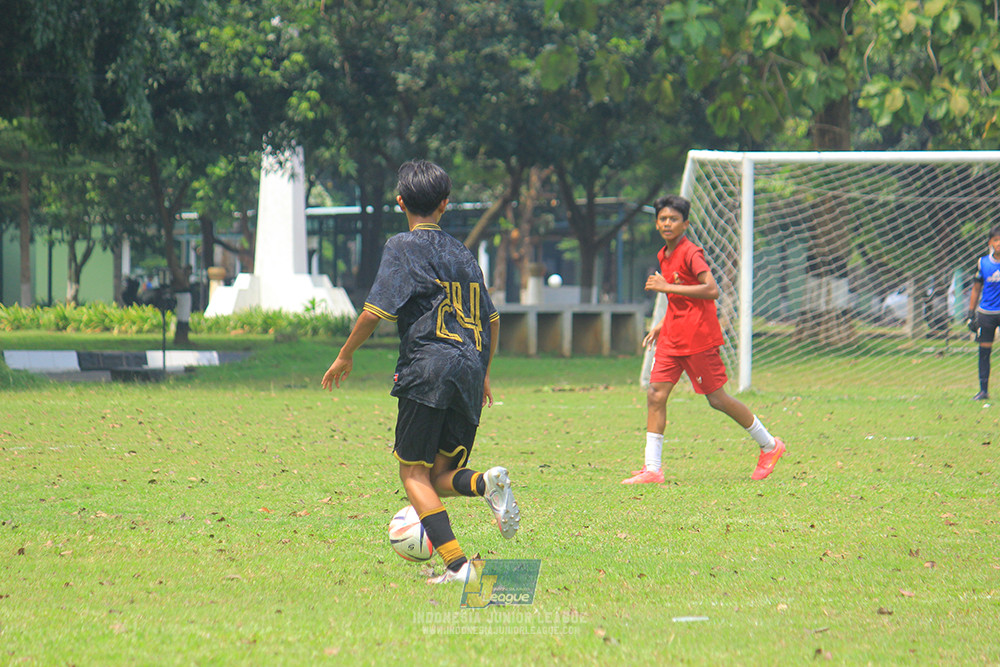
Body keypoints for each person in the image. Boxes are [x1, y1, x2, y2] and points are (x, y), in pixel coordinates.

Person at [322, 160, 520, 584]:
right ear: (445, 204)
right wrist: (483, 371)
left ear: (400, 202)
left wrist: (345, 355)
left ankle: (457, 566)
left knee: (412, 473)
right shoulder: (463, 251)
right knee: (437, 476)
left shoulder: (402, 246)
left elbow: (375, 311)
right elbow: (492, 319)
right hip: (468, 368)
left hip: (427, 367)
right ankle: (486, 483)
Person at [623, 194, 787, 484]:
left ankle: (770, 445)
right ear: (656, 223)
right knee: (655, 394)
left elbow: (710, 290)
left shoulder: (690, 253)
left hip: (698, 336)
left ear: (685, 224)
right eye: (663, 219)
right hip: (673, 337)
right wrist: (663, 323)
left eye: (673, 219)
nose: (667, 223)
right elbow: (679, 296)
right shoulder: (664, 254)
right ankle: (652, 469)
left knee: (717, 399)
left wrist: (666, 287)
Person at [966, 225, 1000, 400]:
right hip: (986, 313)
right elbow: (976, 289)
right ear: (990, 243)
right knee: (984, 351)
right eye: (996, 240)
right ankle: (983, 391)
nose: (999, 243)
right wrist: (971, 313)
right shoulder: (983, 263)